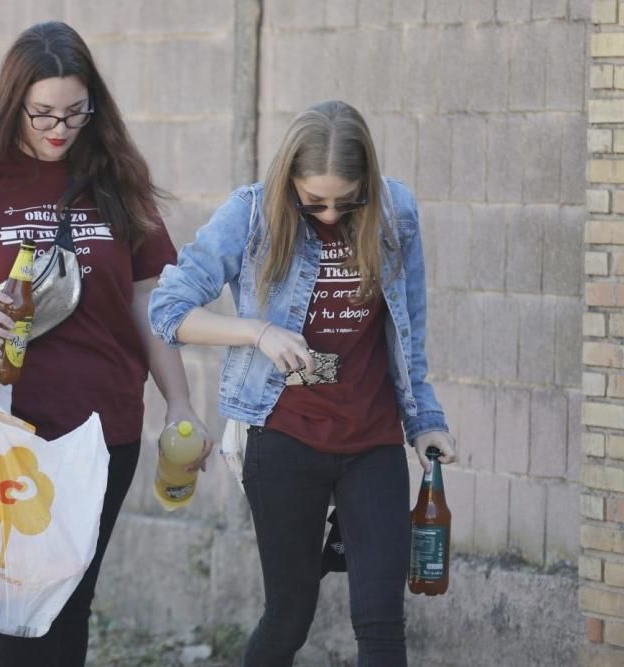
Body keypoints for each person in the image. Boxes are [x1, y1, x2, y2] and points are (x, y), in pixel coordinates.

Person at [0, 20, 209, 667]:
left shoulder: (116, 177)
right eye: (42, 113)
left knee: (72, 594)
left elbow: (147, 299)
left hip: (104, 428)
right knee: (23, 599)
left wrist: (180, 402)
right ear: (12, 101)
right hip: (7, 429)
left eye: (75, 113)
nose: (58, 129)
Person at [148, 100, 457, 666]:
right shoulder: (251, 214)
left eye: (349, 200)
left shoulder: (397, 213)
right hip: (282, 438)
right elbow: (168, 310)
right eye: (314, 202)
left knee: (382, 621)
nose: (333, 215)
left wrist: (425, 420)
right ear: (288, 180)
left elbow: (409, 333)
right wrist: (258, 332)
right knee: (290, 616)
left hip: (372, 442)